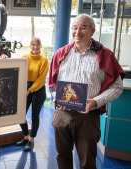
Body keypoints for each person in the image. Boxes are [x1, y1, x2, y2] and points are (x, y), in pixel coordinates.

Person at [48, 14, 125, 169]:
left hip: (88, 117)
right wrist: (55, 96)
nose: (78, 32)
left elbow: (117, 87)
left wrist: (95, 102)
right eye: (75, 27)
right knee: (62, 157)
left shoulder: (106, 55)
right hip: (61, 114)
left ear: (92, 31)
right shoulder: (60, 54)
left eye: (83, 27)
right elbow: (50, 83)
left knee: (87, 161)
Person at [15, 37, 49, 151]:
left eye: (38, 44)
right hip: (25, 86)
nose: (35, 47)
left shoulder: (44, 60)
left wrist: (30, 90)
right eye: (33, 44)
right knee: (20, 115)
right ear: (30, 46)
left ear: (41, 46)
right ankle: (25, 136)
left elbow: (41, 79)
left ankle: (31, 139)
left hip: (38, 89)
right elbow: (20, 73)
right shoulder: (25, 58)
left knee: (35, 116)